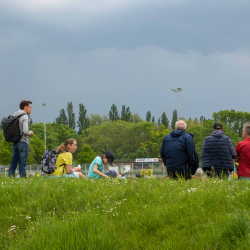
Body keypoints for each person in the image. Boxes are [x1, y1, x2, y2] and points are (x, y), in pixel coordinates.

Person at [9, 100, 34, 178]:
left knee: (13, 162)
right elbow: (25, 131)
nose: (31, 109)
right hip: (23, 142)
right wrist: (31, 133)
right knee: (22, 163)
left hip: (15, 141)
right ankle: (23, 179)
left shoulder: (15, 115)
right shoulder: (25, 116)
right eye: (30, 107)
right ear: (25, 107)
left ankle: (11, 178)